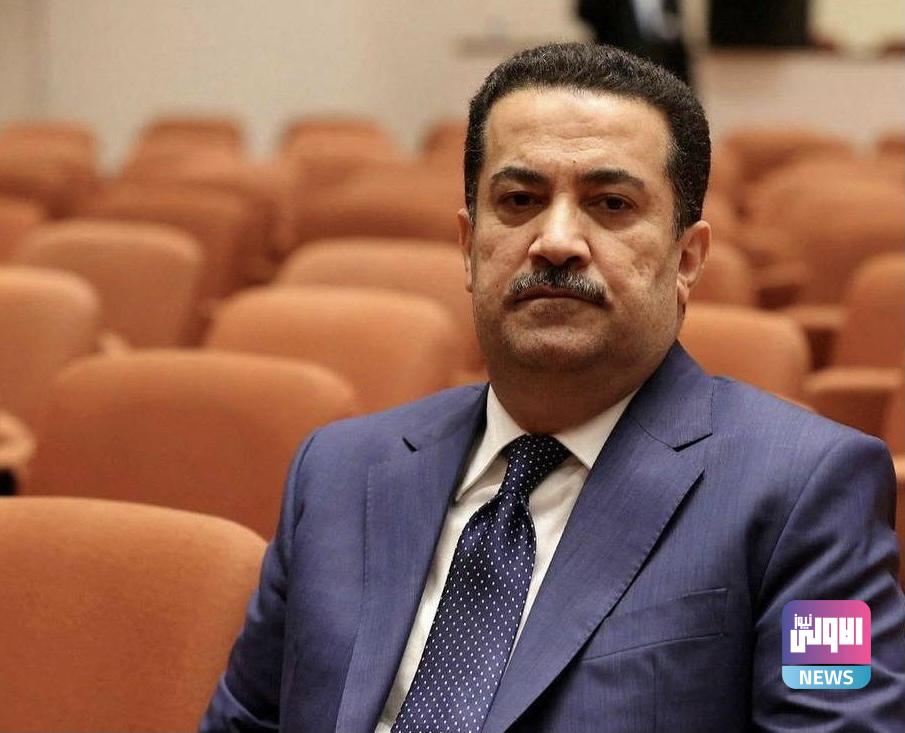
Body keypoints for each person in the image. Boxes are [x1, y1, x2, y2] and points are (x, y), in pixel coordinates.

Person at [201, 43, 905, 732]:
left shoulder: (807, 490)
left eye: (610, 203)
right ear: (468, 247)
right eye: (519, 200)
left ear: (687, 259)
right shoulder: (337, 471)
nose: (557, 240)